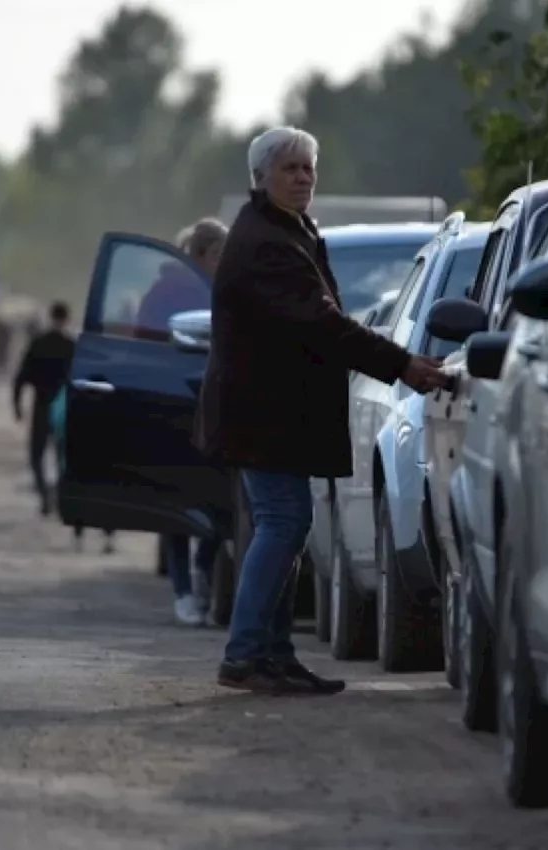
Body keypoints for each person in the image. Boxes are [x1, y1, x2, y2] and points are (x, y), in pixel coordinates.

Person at [195, 126, 449, 695]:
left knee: (287, 523)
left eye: (308, 168)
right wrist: (400, 362)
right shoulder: (268, 241)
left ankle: (272, 655)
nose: (303, 178)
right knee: (283, 522)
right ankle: (245, 653)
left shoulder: (289, 231)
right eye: (289, 169)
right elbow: (320, 321)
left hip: (273, 413)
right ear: (260, 179)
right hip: (261, 414)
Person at [156, 218, 232, 627]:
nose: (225, 261)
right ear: (201, 255)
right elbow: (146, 335)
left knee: (216, 497)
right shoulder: (168, 291)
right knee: (177, 504)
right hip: (172, 402)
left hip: (215, 407)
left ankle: (203, 570)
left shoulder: (225, 291)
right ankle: (183, 590)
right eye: (219, 254)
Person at [12, 300, 75, 516]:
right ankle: (58, 495)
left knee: (36, 456)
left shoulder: (38, 343)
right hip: (64, 410)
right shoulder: (72, 346)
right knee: (62, 458)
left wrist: (17, 404)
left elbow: (21, 377)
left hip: (41, 405)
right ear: (67, 319)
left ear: (51, 317)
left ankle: (44, 495)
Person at [49, 382, 116, 554]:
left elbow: (57, 419)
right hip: (102, 458)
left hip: (78, 455)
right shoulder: (110, 393)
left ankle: (79, 537)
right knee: (104, 497)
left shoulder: (71, 390)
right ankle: (108, 538)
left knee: (80, 495)